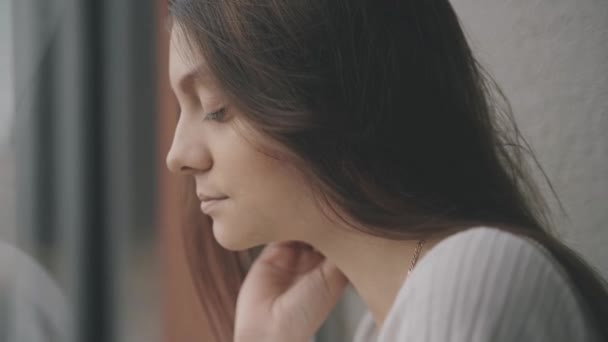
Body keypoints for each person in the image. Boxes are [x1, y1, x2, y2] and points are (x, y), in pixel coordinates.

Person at [165, 1, 607, 341]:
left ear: (332, 87)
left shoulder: (467, 280)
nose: (177, 155)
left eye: (214, 107)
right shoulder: (388, 323)